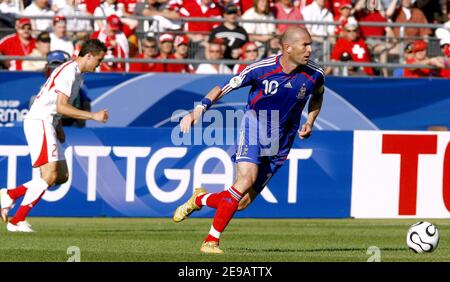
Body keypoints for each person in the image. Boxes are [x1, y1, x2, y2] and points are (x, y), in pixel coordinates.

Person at [174, 26, 325, 253]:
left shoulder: (315, 73)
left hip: (282, 139)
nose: (310, 50)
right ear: (288, 47)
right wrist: (198, 112)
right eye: (305, 44)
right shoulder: (260, 69)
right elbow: (222, 88)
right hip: (255, 125)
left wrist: (310, 121)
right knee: (245, 179)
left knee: (242, 202)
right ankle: (211, 241)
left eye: (310, 44)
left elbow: (318, 96)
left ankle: (201, 199)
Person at [0, 39, 109, 232]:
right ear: (89, 55)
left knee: (61, 176)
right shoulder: (69, 72)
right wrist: (93, 115)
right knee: (49, 175)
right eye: (99, 60)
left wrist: (58, 127)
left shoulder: (76, 74)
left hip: (48, 122)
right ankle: (17, 220)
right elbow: (60, 105)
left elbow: (53, 104)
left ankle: (10, 194)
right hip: (40, 121)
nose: (99, 65)